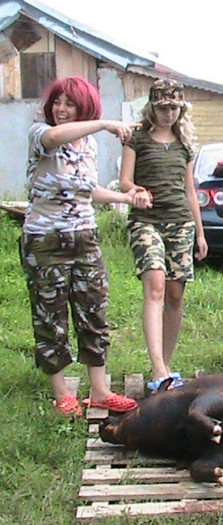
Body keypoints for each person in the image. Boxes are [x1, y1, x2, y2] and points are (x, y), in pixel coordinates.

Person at [21, 76, 149, 417]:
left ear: (84, 107)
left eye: (70, 104)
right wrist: (107, 123)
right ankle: (62, 392)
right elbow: (52, 136)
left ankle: (99, 390)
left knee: (94, 310)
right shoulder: (41, 134)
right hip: (45, 240)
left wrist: (124, 197)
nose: (61, 109)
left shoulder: (87, 144)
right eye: (58, 103)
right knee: (51, 315)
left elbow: (86, 189)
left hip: (84, 237)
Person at [119, 79, 208, 393]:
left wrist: (200, 233)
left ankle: (165, 366)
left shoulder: (185, 144)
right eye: (163, 107)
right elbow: (124, 182)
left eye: (175, 107)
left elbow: (190, 192)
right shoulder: (137, 139)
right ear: (152, 107)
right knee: (155, 285)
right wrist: (137, 191)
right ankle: (159, 368)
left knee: (175, 295)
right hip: (147, 222)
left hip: (180, 224)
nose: (169, 113)